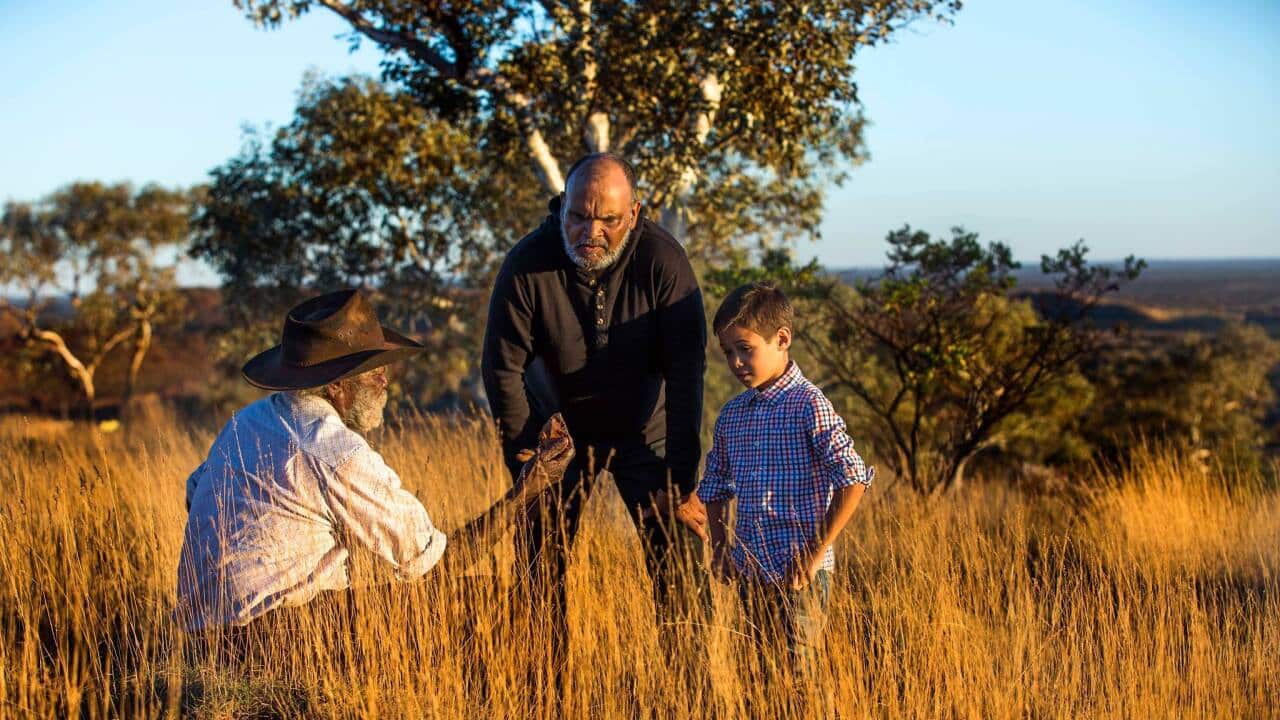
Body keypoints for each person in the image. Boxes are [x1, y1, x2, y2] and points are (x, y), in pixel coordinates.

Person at [175, 289, 572, 633]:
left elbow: (196, 495)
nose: (385, 381)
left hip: (198, 634)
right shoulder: (332, 449)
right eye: (371, 372)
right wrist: (528, 489)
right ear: (336, 385)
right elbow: (434, 564)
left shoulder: (247, 421)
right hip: (273, 635)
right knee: (484, 596)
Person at [480, 152, 711, 664]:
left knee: (679, 564)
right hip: (556, 434)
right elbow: (501, 369)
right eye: (580, 215)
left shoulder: (664, 262)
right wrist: (526, 460)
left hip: (643, 429)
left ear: (634, 213)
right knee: (538, 569)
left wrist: (680, 477)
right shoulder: (526, 263)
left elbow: (687, 373)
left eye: (608, 218)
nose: (592, 230)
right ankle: (545, 692)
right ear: (562, 207)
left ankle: (691, 692)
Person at [697, 281, 874, 681]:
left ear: (781, 339)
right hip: (750, 571)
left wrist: (816, 553)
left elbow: (853, 479)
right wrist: (722, 549)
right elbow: (715, 487)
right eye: (728, 353)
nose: (737, 363)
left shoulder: (809, 405)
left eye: (746, 349)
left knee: (800, 674)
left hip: (800, 575)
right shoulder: (732, 415)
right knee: (759, 673)